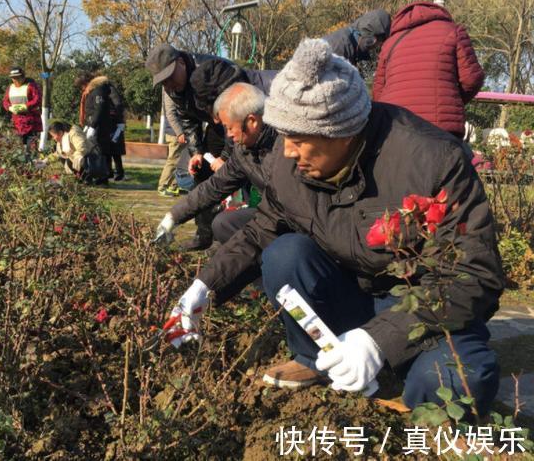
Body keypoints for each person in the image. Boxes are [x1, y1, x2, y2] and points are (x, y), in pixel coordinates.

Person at [164, 38, 504, 416]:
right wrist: (204, 286)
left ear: (340, 132)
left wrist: (377, 342)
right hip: (353, 295)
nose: (287, 151)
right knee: (284, 254)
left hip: (420, 311)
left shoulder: (432, 161)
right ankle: (315, 359)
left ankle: (400, 380)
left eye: (297, 140)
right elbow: (260, 232)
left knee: (451, 382)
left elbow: (473, 274)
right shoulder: (291, 167)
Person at [155, 82, 277, 247]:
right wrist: (173, 217)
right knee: (222, 224)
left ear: (252, 121)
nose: (228, 135)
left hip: (299, 226)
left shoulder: (287, 147)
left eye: (230, 128)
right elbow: (213, 187)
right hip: (272, 216)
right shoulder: (244, 151)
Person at [146, 43, 232, 250]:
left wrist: (227, 156)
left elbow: (237, 115)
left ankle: (230, 237)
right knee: (201, 173)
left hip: (238, 120)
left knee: (234, 173)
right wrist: (197, 153)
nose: (168, 85)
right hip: (215, 124)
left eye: (170, 78)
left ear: (181, 63)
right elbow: (188, 120)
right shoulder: (174, 89)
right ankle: (204, 235)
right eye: (163, 82)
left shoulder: (211, 72)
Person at [372, 1, 484, 138]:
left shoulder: (390, 43)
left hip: (395, 127)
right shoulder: (453, 31)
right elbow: (472, 78)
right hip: (439, 128)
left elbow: (378, 91)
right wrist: (451, 101)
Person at [74, 72, 126, 181]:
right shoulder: (95, 90)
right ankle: (109, 172)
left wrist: (118, 120)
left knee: (112, 148)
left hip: (112, 121)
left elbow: (116, 104)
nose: (83, 89)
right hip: (101, 121)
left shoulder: (103, 88)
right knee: (107, 149)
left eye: (83, 86)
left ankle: (116, 172)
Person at [47, 120, 109, 184]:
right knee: (65, 158)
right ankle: (81, 177)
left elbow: (81, 145)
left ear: (60, 133)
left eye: (53, 136)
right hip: (82, 157)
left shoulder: (74, 133)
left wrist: (78, 155)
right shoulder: (62, 138)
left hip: (91, 157)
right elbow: (58, 153)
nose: (53, 138)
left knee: (73, 160)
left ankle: (88, 178)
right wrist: (45, 161)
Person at [324, 9, 391, 66]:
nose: (378, 46)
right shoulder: (340, 48)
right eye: (381, 41)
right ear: (373, 40)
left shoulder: (350, 41)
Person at [2, 67, 42, 151]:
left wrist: (25, 106)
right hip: (16, 122)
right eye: (13, 78)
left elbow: (37, 99)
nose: (15, 80)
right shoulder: (10, 87)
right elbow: (5, 101)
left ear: (23, 77)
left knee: (31, 146)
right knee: (18, 146)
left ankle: (31, 161)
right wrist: (9, 107)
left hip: (31, 122)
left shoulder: (31, 86)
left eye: (18, 78)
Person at [157, 94, 187, 197]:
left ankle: (173, 186)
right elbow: (170, 114)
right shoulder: (169, 92)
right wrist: (179, 132)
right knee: (173, 160)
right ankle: (162, 186)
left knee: (180, 161)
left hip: (180, 131)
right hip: (175, 133)